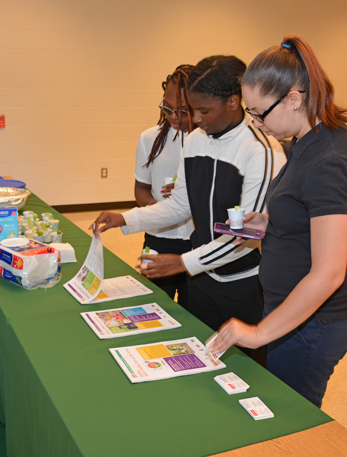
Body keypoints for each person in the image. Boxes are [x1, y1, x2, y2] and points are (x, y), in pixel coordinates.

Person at [209, 35, 347, 408]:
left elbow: (328, 273)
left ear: (294, 99)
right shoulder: (306, 140)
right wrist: (270, 223)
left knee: (289, 417)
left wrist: (258, 332)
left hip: (316, 323)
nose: (256, 122)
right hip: (293, 310)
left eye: (259, 112)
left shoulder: (329, 160)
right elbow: (310, 215)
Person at [92, 55, 286, 362]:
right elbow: (180, 205)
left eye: (203, 110)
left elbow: (245, 237)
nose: (195, 119)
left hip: (243, 284)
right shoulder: (196, 140)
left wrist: (183, 262)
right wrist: (126, 218)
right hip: (202, 281)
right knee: (199, 360)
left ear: (233, 102)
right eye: (192, 109)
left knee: (246, 370)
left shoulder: (261, 150)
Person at [134, 65, 195, 308]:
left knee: (195, 312)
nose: (172, 116)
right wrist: (158, 209)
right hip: (158, 238)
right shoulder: (150, 138)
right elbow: (140, 188)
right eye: (166, 107)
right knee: (151, 307)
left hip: (195, 243)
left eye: (182, 111)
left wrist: (188, 194)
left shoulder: (210, 143)